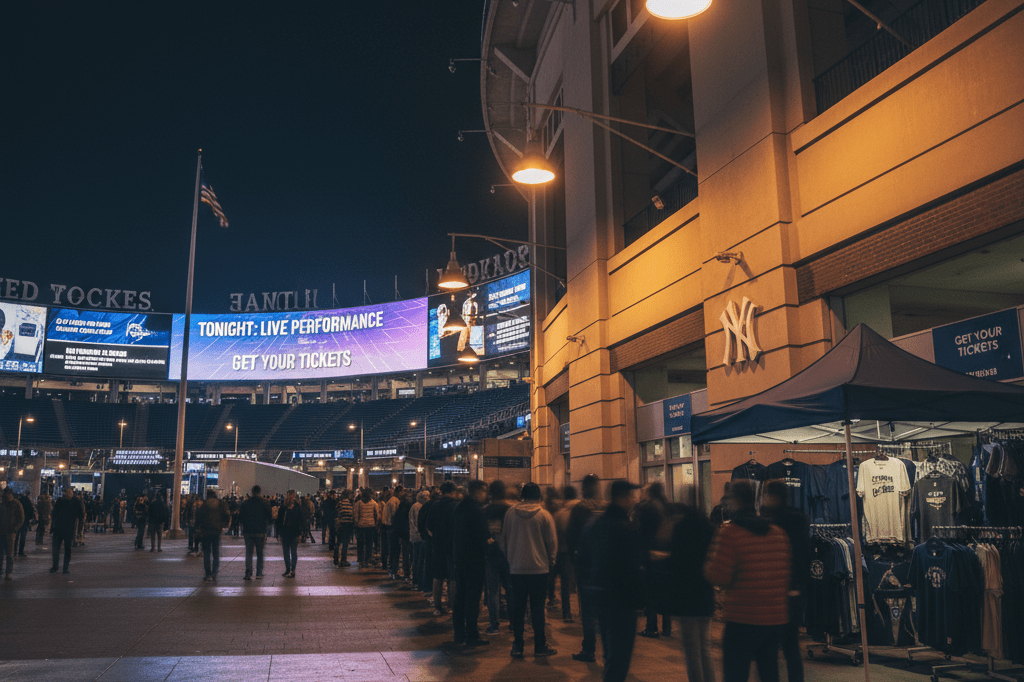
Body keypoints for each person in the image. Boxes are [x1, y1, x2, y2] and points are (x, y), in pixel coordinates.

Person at [704, 480, 791, 682]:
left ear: (735, 501)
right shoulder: (778, 533)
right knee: (770, 673)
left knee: (736, 674)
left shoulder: (730, 533)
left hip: (742, 618)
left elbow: (718, 576)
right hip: (774, 619)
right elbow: (784, 574)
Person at [578, 480, 643, 682]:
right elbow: (633, 566)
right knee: (618, 661)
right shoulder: (625, 527)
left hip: (601, 598)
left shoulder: (595, 523)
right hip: (621, 602)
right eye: (630, 496)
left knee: (611, 656)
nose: (633, 500)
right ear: (620, 498)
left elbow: (583, 557)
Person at [499, 481, 558, 659]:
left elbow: (504, 540)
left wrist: (511, 559)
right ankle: (540, 644)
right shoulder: (544, 515)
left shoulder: (510, 514)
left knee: (518, 608)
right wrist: (550, 561)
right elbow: (552, 543)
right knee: (538, 608)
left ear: (521, 496)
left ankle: (518, 644)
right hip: (540, 569)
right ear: (539, 496)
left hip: (517, 569)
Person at [665, 486, 716, 682]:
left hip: (686, 593)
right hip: (705, 591)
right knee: (704, 647)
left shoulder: (681, 527)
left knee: (691, 650)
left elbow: (676, 561)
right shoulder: (709, 527)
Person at [761, 480, 810, 682]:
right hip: (793, 590)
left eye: (767, 495)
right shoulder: (798, 519)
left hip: (782, 590)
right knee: (789, 647)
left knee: (772, 648)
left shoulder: (775, 522)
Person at [567, 474, 604, 662]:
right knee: (605, 609)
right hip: (604, 566)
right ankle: (608, 650)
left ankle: (589, 649)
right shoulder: (605, 508)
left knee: (588, 610)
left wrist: (574, 559)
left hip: (585, 566)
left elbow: (571, 538)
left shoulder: (579, 509)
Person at [452, 479, 491, 646]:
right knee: (473, 598)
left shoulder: (459, 508)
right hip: (474, 559)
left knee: (460, 596)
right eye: (483, 492)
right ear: (477, 492)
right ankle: (472, 634)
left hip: (459, 558)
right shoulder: (476, 511)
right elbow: (483, 536)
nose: (485, 495)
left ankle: (459, 633)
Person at [635, 481, 671, 638]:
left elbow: (640, 532)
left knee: (650, 592)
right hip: (666, 553)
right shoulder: (667, 506)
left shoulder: (647, 507)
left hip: (650, 553)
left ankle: (651, 627)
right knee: (665, 591)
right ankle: (667, 628)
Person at [483, 479, 513, 635]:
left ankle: (494, 624)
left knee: (492, 592)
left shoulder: (485, 510)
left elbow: (482, 533)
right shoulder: (511, 510)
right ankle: (514, 622)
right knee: (510, 589)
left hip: (490, 554)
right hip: (508, 555)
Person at [426, 482, 459, 616]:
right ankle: (452, 605)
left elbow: (429, 525)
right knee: (452, 577)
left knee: (438, 577)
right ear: (453, 491)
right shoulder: (456, 506)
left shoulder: (435, 505)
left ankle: (437, 606)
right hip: (452, 546)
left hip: (438, 545)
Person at [239, 485, 273, 580]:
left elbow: (240, 517)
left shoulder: (245, 503)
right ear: (260, 492)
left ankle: (248, 572)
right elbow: (269, 518)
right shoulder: (265, 503)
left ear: (252, 492)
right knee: (260, 553)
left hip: (248, 531)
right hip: (261, 531)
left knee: (249, 553)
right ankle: (259, 573)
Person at [195, 490, 229, 582]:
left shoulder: (204, 505)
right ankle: (214, 573)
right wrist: (223, 524)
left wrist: (197, 527)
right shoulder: (220, 504)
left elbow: (198, 517)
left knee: (206, 553)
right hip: (216, 531)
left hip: (206, 531)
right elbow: (226, 515)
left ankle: (208, 574)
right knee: (216, 553)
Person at [50, 487, 83, 575]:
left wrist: (79, 528)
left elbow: (81, 515)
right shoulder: (60, 501)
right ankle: (55, 566)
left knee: (67, 549)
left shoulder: (75, 502)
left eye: (70, 492)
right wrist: (52, 526)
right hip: (59, 528)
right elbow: (54, 514)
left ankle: (65, 567)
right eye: (67, 492)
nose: (69, 494)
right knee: (56, 548)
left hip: (68, 528)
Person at [276, 489, 303, 578]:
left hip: (294, 533)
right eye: (288, 496)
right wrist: (278, 532)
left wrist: (300, 532)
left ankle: (293, 570)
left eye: (291, 495)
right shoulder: (283, 507)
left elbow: (300, 520)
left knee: (293, 551)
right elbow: (279, 520)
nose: (290, 497)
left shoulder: (297, 507)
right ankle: (288, 568)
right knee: (286, 552)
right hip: (285, 532)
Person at [1, 488, 26, 579]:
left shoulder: (16, 504)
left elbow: (21, 517)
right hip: (2, 531)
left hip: (10, 532)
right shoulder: (2, 503)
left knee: (9, 554)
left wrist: (15, 528)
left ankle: (9, 572)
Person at [353, 488, 379, 570]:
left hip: (360, 526)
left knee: (360, 544)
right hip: (371, 526)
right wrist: (376, 524)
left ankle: (361, 560)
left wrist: (356, 524)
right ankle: (368, 559)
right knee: (369, 544)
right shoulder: (374, 503)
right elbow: (377, 515)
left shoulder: (358, 504)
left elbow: (356, 515)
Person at [334, 489, 355, 567]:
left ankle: (336, 557)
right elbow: (353, 514)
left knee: (339, 542)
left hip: (341, 524)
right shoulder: (351, 503)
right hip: (349, 525)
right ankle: (343, 560)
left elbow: (337, 513)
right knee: (345, 543)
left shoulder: (340, 503)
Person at [16, 492, 35, 556]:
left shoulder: (17, 502)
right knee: (22, 537)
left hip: (17, 521)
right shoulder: (27, 501)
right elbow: (31, 510)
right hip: (25, 521)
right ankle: (20, 551)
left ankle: (14, 551)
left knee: (16, 537)